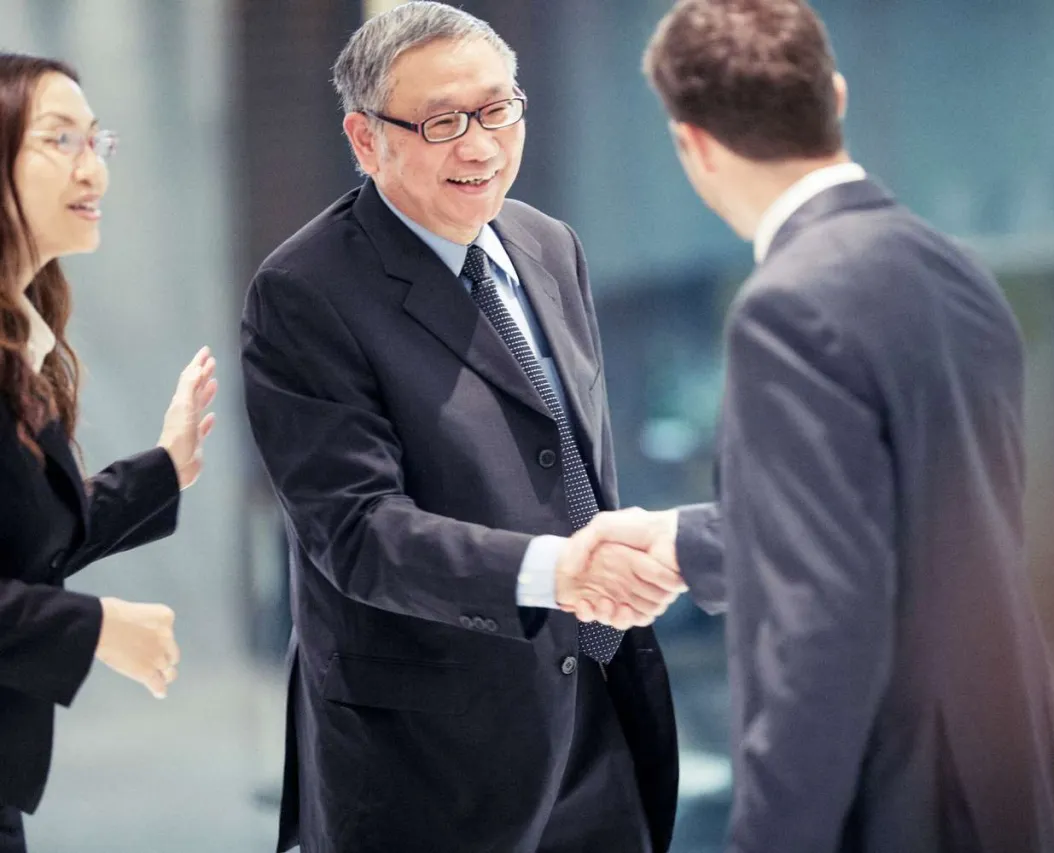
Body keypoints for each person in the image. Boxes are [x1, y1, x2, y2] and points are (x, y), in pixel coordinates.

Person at [559, 1, 1054, 851]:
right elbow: (899, 528)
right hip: (1004, 789)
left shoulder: (788, 309)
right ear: (832, 94)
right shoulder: (957, 271)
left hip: (892, 807)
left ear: (691, 143)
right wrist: (683, 541)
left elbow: (819, 633)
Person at [239, 4, 682, 852]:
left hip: (596, 709)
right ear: (366, 141)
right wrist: (558, 571)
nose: (479, 145)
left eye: (497, 108)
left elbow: (568, 460)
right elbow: (359, 533)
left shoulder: (549, 244)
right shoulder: (305, 290)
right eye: (442, 121)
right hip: (431, 754)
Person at [0, 53, 217, 853]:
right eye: (60, 139)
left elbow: (27, 537)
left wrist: (166, 465)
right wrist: (96, 627)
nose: (93, 168)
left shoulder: (25, 338)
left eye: (99, 141)